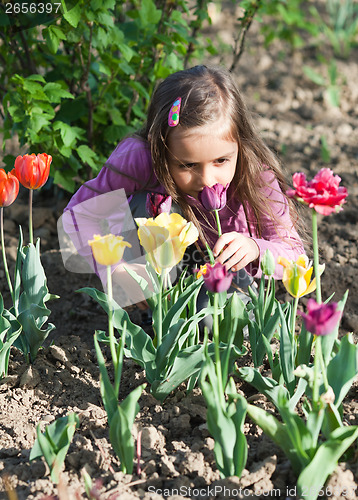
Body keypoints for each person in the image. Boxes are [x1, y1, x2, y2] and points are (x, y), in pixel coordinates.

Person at [61, 65, 305, 313]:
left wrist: (255, 248)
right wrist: (115, 269)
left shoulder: (255, 176)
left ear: (240, 145)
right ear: (161, 149)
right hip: (159, 273)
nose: (208, 180)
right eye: (188, 165)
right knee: (142, 204)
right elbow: (80, 213)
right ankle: (150, 311)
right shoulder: (141, 160)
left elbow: (296, 255)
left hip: (220, 274)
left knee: (216, 322)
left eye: (221, 161)